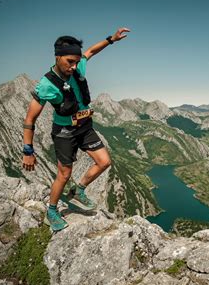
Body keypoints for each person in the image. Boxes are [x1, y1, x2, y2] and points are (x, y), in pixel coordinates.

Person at [21, 27, 130, 232]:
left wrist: (111, 39)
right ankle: (51, 212)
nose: (73, 66)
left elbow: (90, 52)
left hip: (85, 126)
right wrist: (28, 150)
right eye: (69, 61)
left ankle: (78, 190)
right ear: (57, 57)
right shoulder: (46, 84)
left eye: (76, 62)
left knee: (104, 161)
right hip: (65, 131)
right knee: (64, 173)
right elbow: (30, 118)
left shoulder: (78, 67)